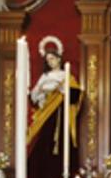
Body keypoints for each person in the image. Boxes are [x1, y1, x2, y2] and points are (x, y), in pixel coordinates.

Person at [27, 36, 80, 169]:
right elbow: (34, 96)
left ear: (58, 58)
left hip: (61, 114)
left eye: (52, 58)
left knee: (62, 142)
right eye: (48, 60)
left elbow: (76, 95)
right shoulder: (45, 77)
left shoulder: (65, 76)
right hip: (47, 114)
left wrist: (62, 89)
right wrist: (41, 94)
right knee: (44, 142)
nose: (50, 62)